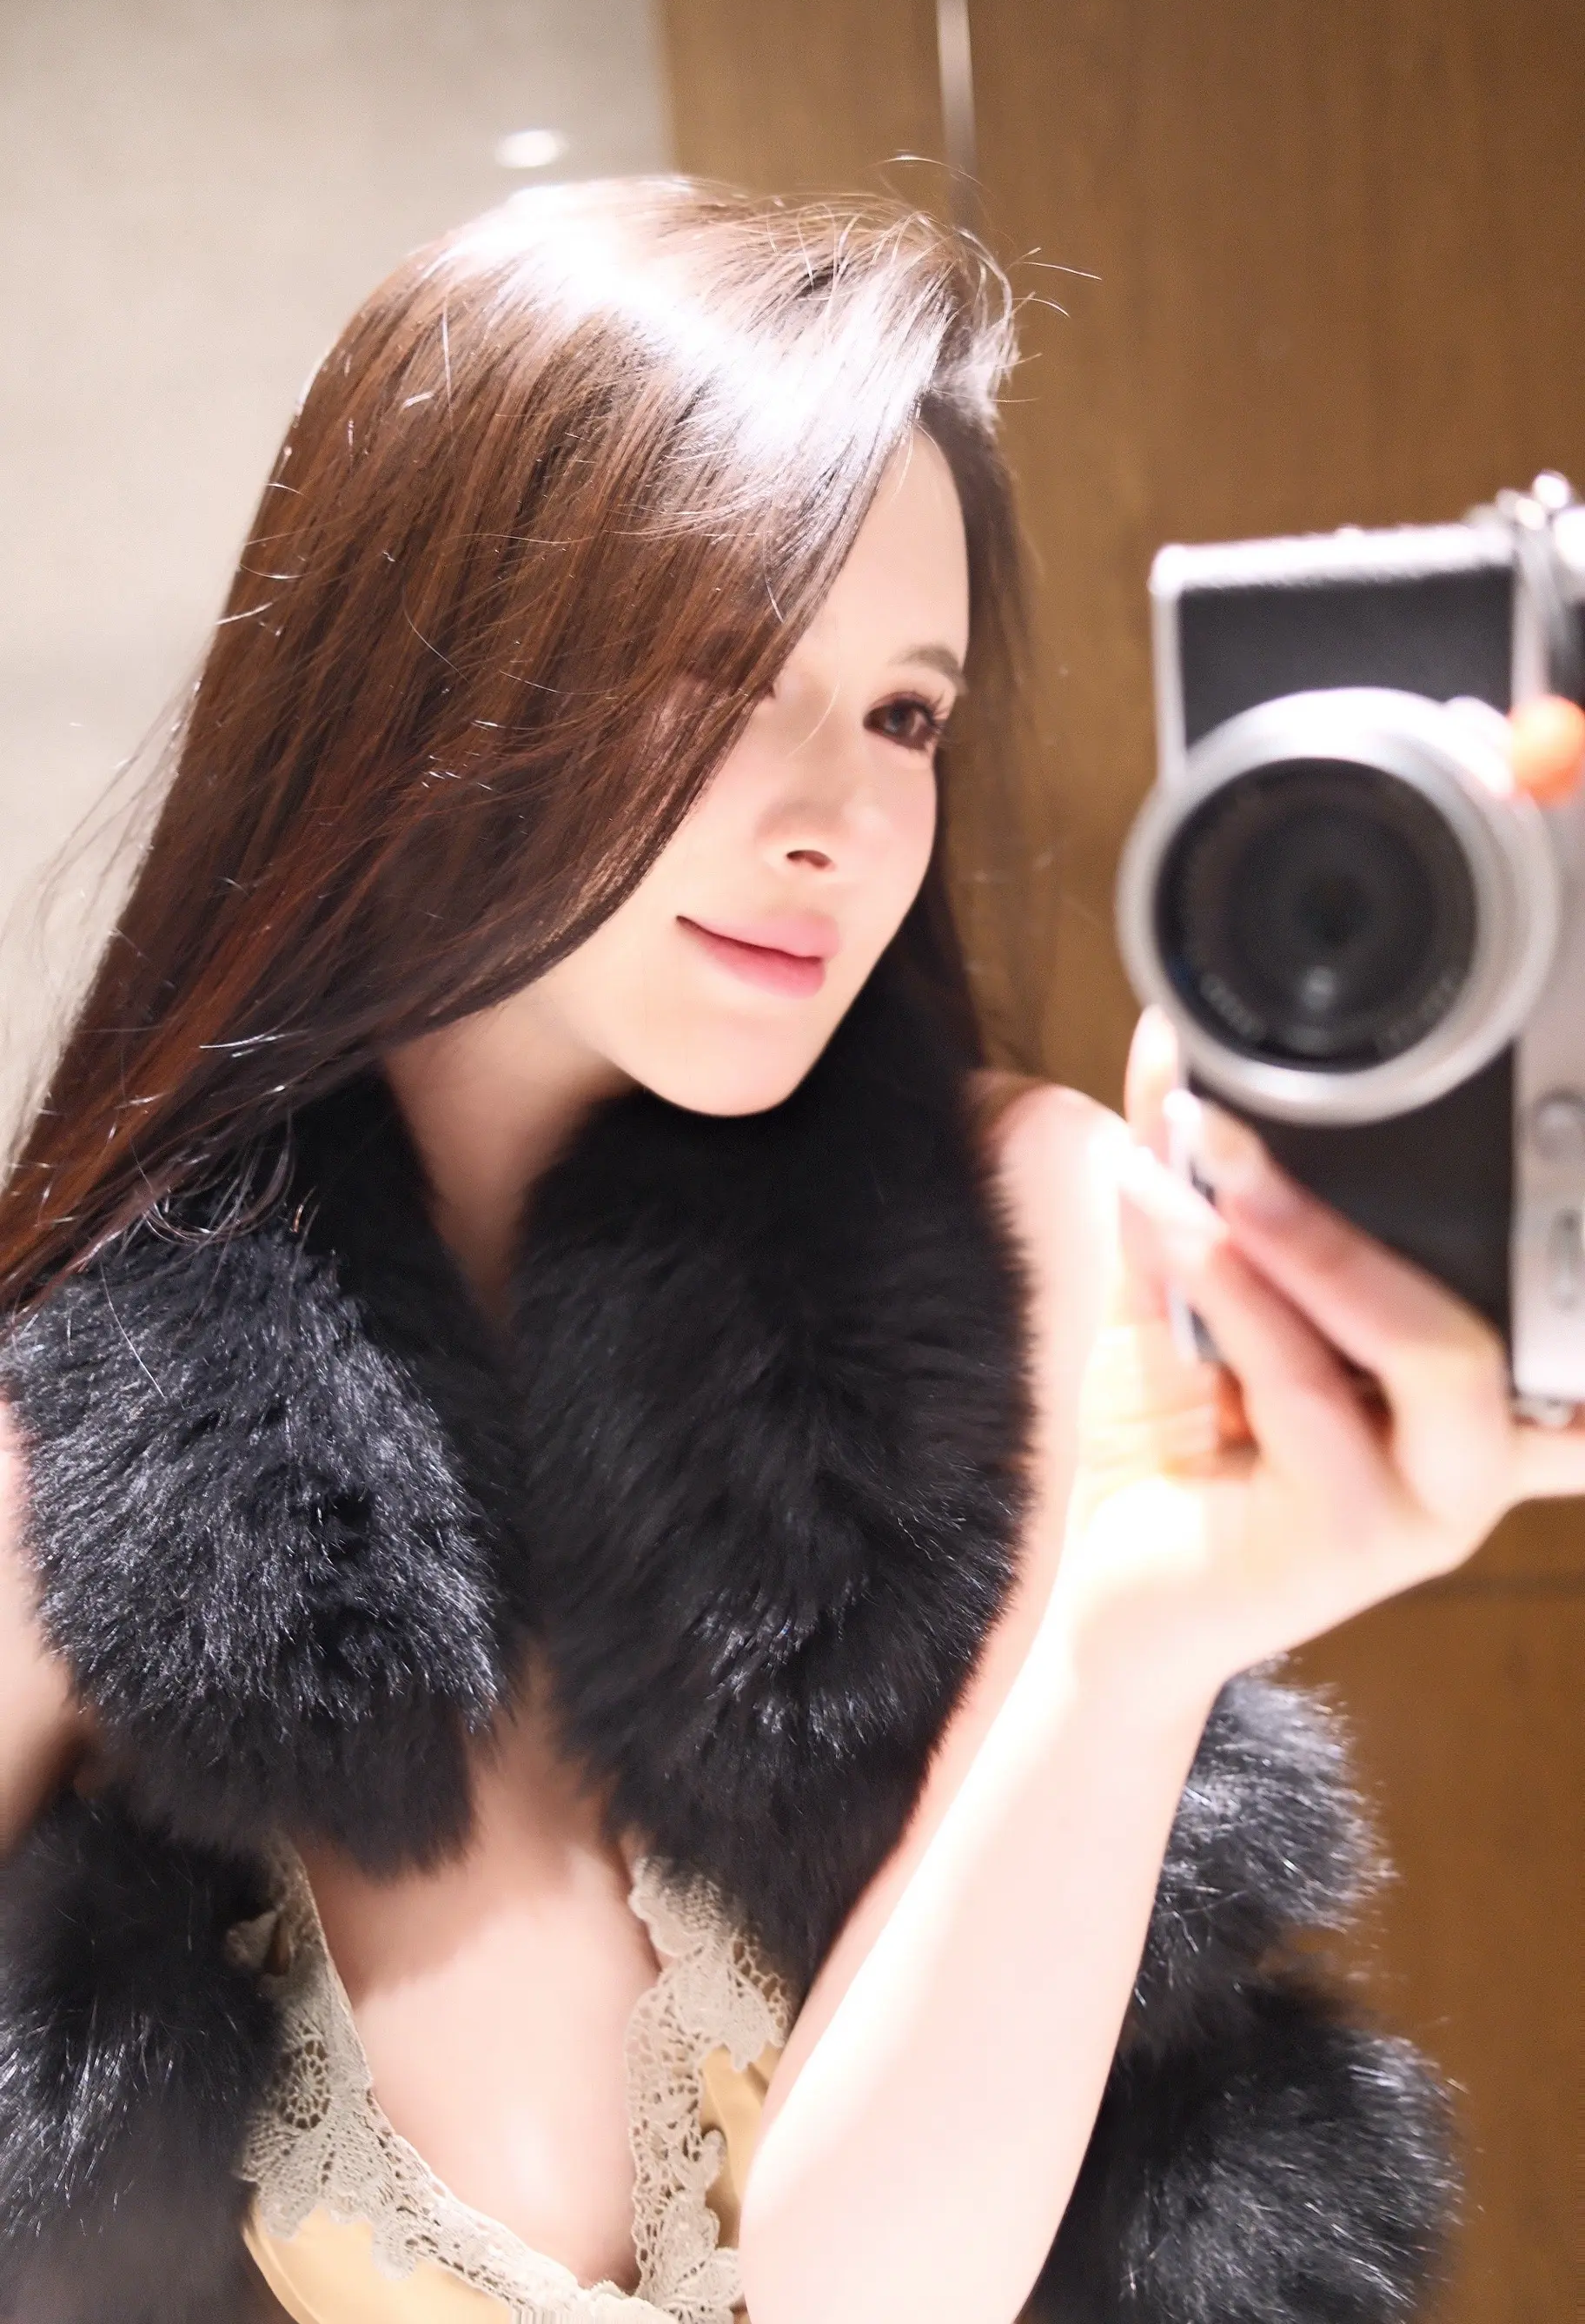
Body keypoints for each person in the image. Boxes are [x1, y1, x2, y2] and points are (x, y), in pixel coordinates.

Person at [0, 176, 1582, 2324]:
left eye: (907, 713)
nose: (840, 818)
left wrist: (1127, 1661)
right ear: (423, 687)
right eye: (721, 678)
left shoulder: (1044, 1243)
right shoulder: (74, 1475)